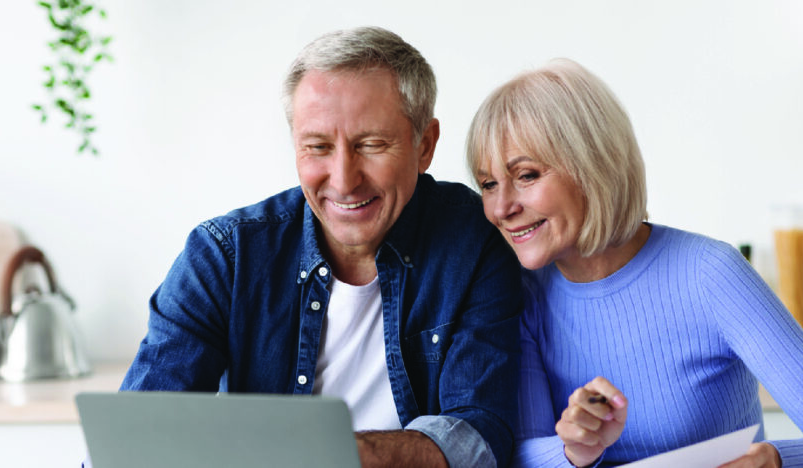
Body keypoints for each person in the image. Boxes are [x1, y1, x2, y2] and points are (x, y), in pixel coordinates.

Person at [119, 27, 522, 468]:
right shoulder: (224, 255)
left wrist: (334, 452)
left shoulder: (475, 239)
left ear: (423, 145)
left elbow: (480, 431)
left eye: (370, 145)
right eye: (318, 148)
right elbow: (137, 432)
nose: (344, 179)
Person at [466, 58, 803, 467]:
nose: (501, 208)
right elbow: (514, 454)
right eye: (488, 184)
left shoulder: (709, 274)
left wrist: (778, 460)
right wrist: (575, 450)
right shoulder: (518, 293)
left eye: (526, 176)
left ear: (592, 164)